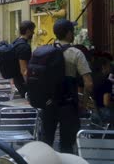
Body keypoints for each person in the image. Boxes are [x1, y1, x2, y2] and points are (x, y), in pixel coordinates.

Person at [41, 19, 93, 154]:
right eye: (73, 31)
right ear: (69, 33)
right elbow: (88, 83)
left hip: (48, 103)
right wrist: (84, 102)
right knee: (66, 145)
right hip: (68, 104)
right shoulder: (76, 53)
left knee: (46, 142)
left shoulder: (44, 51)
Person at [12, 20, 36, 97]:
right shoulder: (24, 47)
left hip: (17, 80)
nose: (34, 33)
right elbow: (24, 70)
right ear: (28, 31)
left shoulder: (16, 42)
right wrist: (30, 86)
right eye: (33, 30)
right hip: (22, 82)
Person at [91, 57, 113, 125]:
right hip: (103, 114)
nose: (111, 68)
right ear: (103, 67)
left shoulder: (91, 79)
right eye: (109, 65)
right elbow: (106, 103)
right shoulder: (106, 82)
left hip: (93, 113)